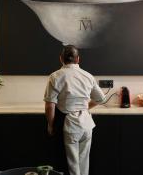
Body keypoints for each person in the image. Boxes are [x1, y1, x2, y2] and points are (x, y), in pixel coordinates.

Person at [43, 45, 106, 175]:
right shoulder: (88, 76)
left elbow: (50, 105)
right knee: (84, 161)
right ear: (78, 59)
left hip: (70, 124)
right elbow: (101, 99)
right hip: (86, 124)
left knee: (72, 165)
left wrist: (50, 125)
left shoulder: (55, 76)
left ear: (61, 59)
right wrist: (86, 107)